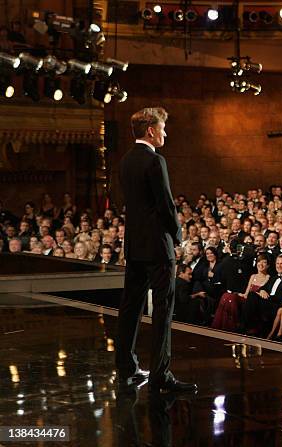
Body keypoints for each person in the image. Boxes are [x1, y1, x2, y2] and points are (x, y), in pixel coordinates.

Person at [115, 107, 197, 394]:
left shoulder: (125, 160)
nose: (165, 132)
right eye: (162, 127)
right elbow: (165, 203)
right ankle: (161, 375)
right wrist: (178, 235)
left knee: (130, 307)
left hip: (135, 245)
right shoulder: (155, 160)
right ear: (150, 130)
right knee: (163, 309)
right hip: (158, 247)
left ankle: (126, 366)